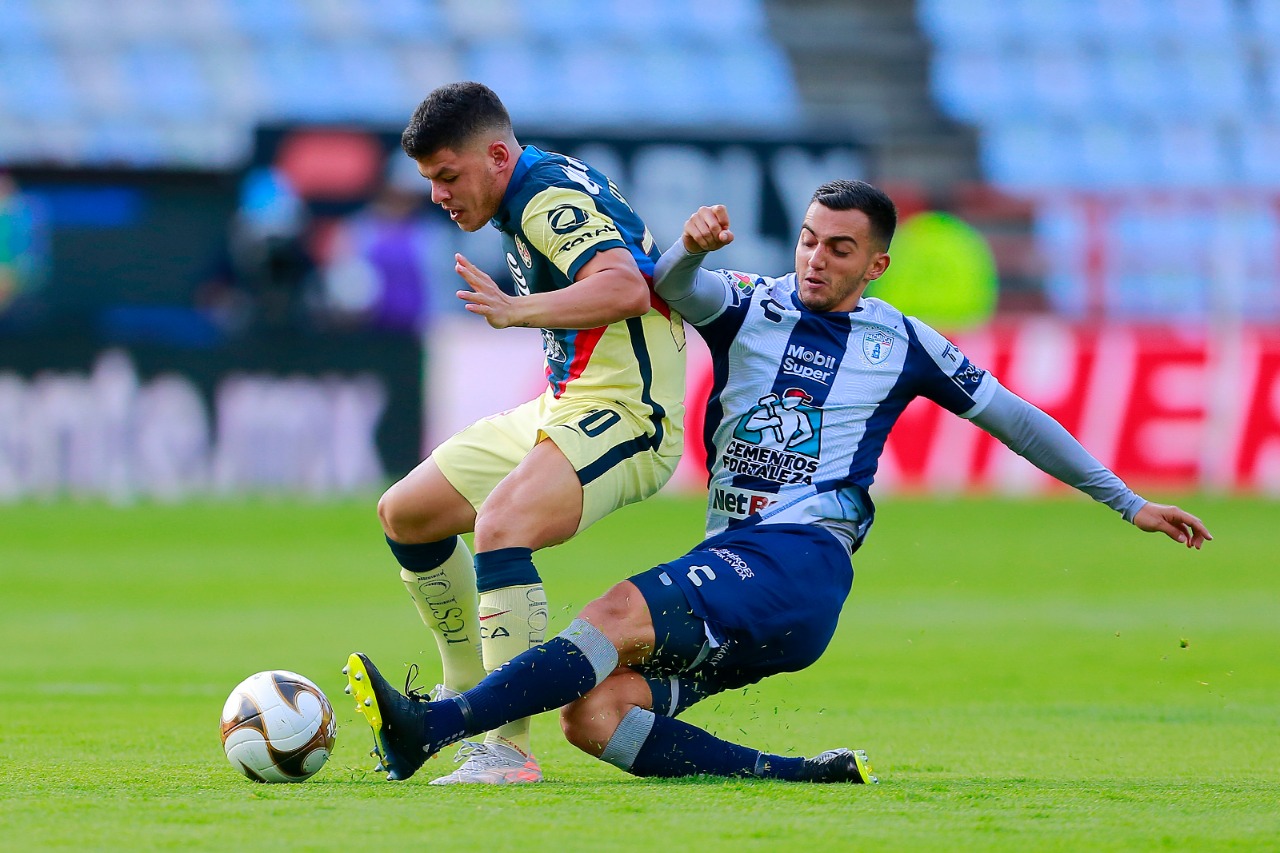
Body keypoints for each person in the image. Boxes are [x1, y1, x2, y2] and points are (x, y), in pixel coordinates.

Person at [345, 179, 1211, 784]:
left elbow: (1015, 417)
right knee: (596, 716)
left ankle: (439, 730)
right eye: (807, 240)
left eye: (839, 249)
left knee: (608, 614)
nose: (815, 260)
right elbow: (666, 289)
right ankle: (803, 775)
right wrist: (687, 248)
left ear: (875, 265)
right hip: (745, 567)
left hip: (799, 559)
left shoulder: (902, 343)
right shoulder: (751, 303)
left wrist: (1125, 500)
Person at [373, 82, 686, 784]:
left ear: (495, 155)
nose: (438, 195)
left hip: (631, 409)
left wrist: (520, 310)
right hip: (565, 401)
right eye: (428, 181)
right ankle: (463, 688)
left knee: (502, 523)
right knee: (409, 512)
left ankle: (504, 746)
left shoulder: (545, 198)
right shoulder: (528, 188)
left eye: (447, 176)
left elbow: (626, 287)